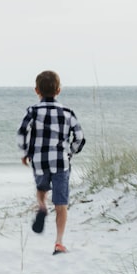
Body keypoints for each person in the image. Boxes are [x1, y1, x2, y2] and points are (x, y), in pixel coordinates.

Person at [17, 70, 85, 255]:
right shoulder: (68, 112)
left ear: (36, 90)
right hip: (61, 163)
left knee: (41, 190)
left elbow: (22, 132)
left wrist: (25, 152)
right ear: (59, 90)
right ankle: (59, 243)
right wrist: (69, 152)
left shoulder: (32, 111)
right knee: (61, 203)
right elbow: (79, 138)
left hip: (39, 161)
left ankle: (41, 207)